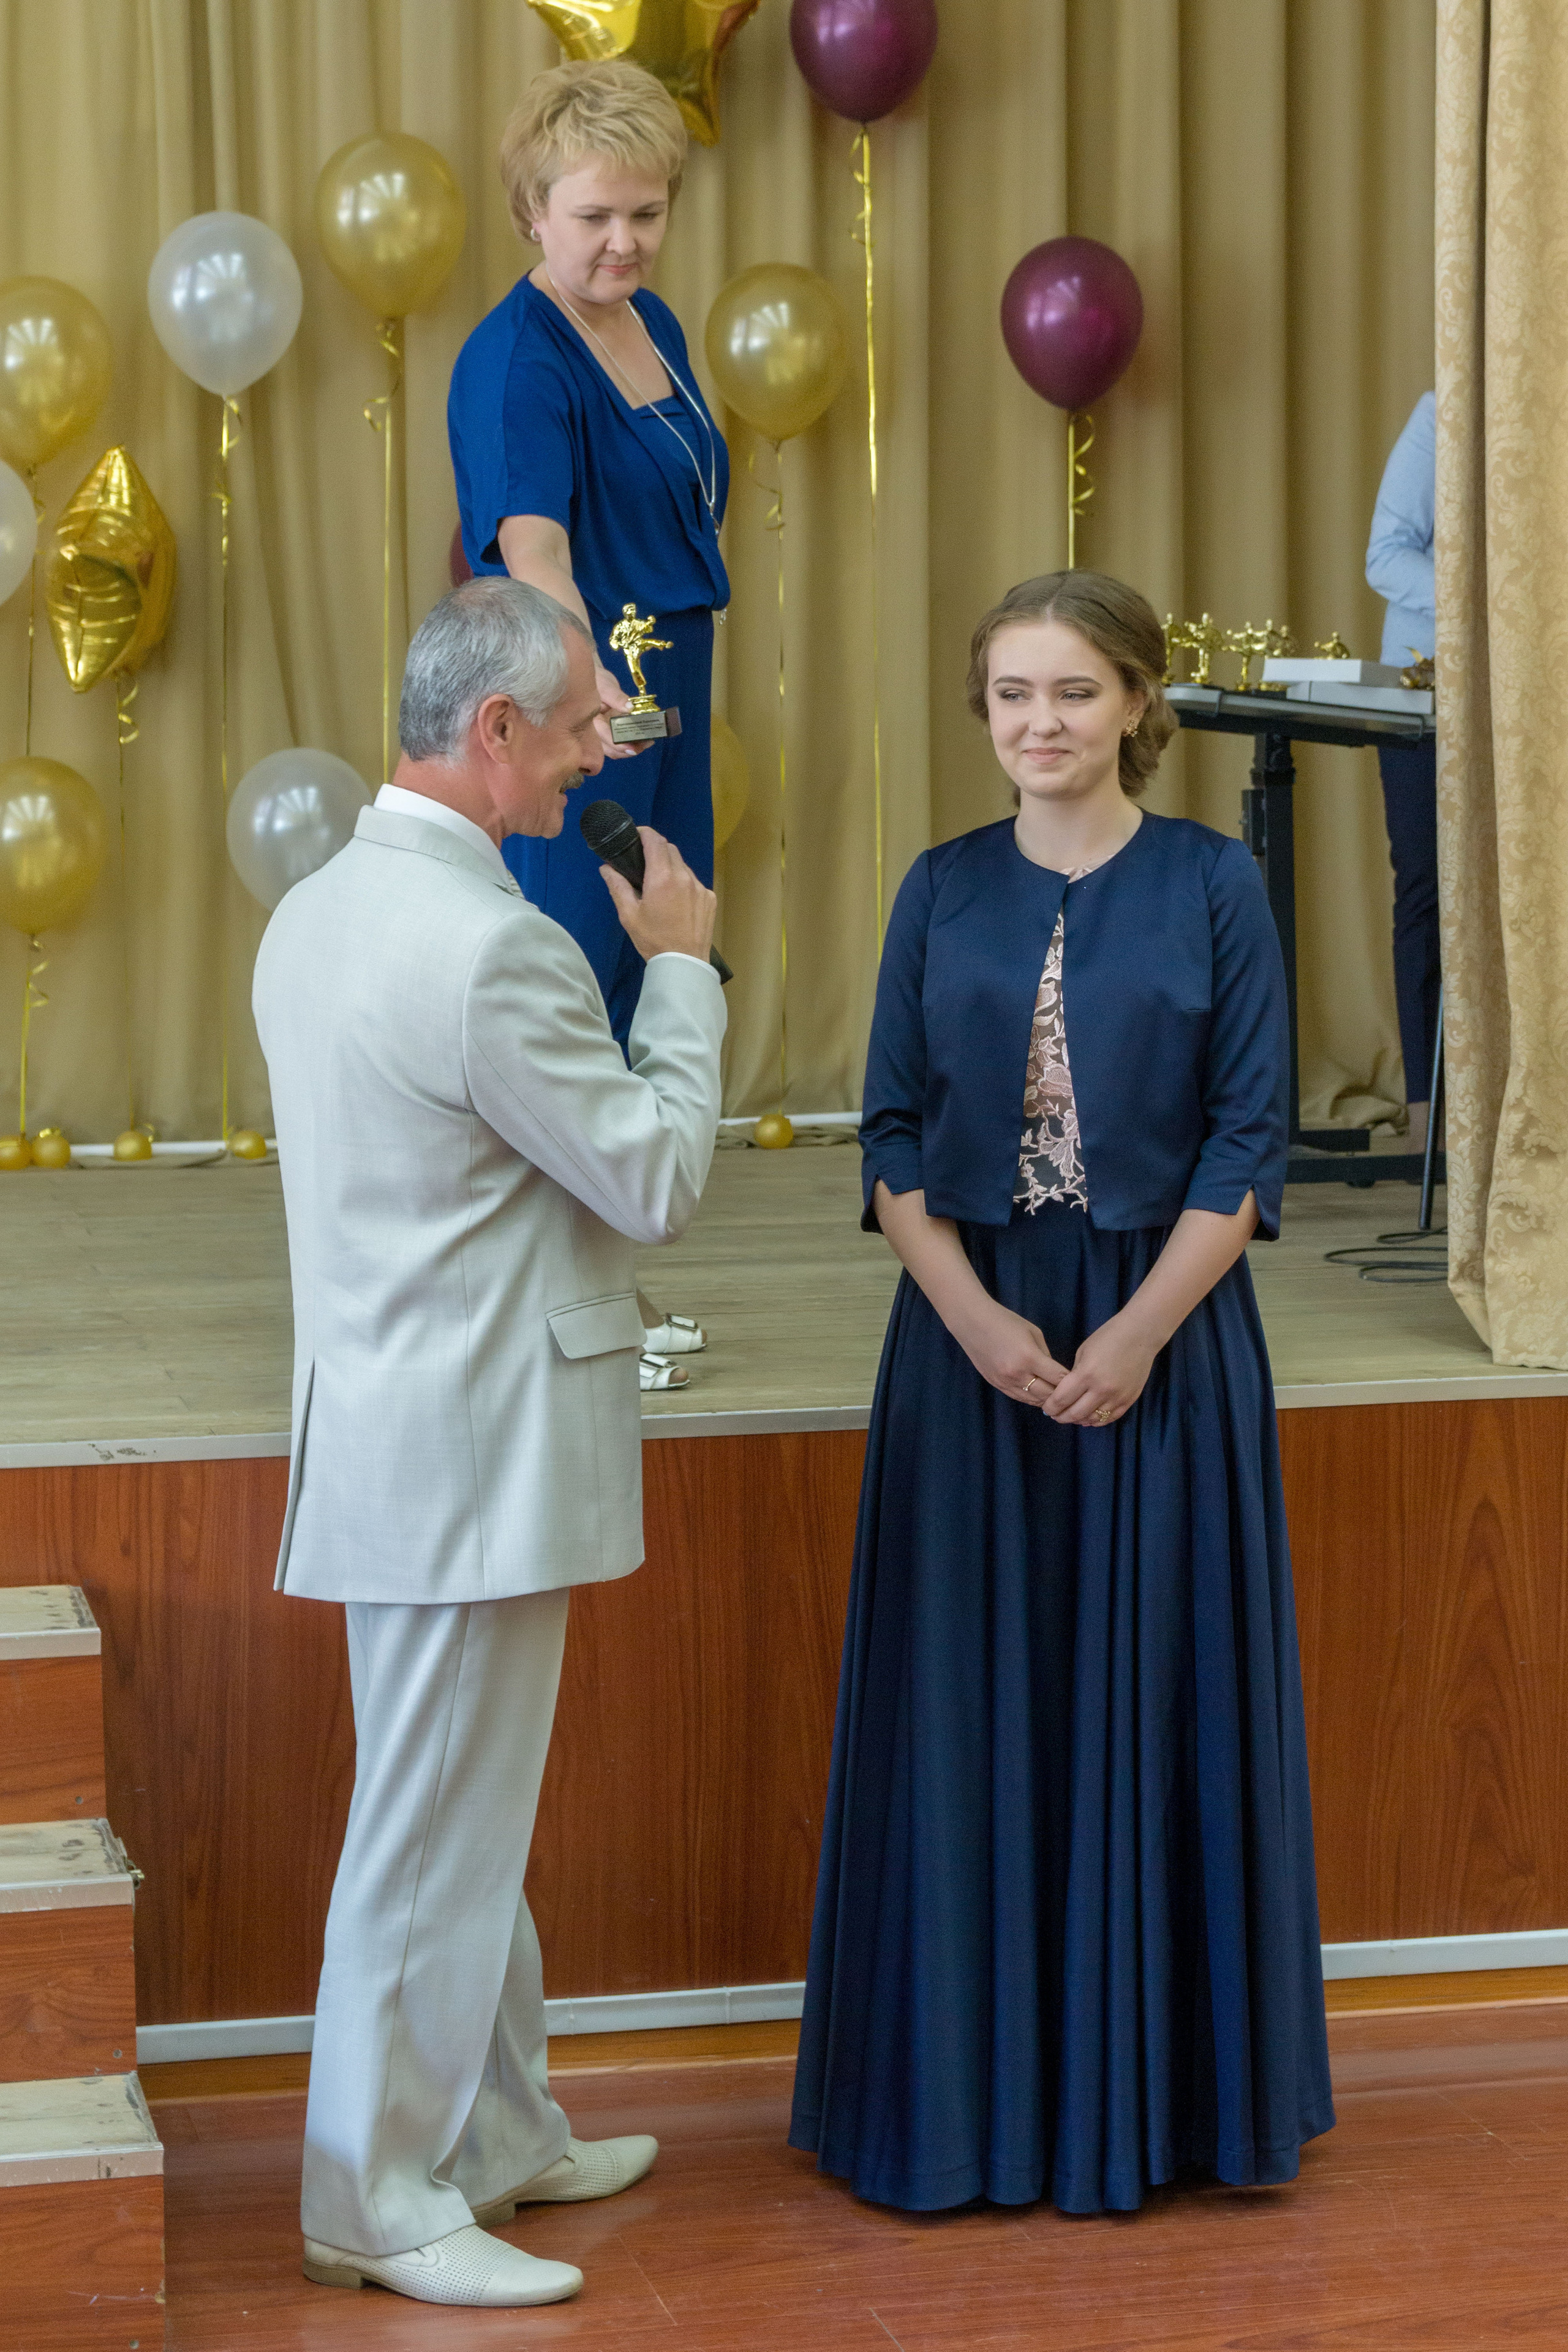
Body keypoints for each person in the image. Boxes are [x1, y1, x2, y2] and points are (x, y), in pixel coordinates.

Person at [790, 571, 1334, 2215]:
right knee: (973, 1710)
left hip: (1165, 1343)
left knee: (1160, 1700)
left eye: (1075, 693)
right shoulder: (939, 888)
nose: (1042, 723)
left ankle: (1156, 2112)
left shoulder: (1215, 883)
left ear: (1137, 707)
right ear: (985, 714)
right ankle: (965, 2110)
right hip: (973, 1345)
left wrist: (1144, 1333)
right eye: (1015, 694)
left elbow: (1249, 1146)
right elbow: (889, 1137)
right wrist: (968, 1320)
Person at [253, 577, 725, 2308]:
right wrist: (680, 977)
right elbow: (655, 1177)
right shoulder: (493, 945)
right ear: (496, 734)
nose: (608, 744)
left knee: (461, 1814)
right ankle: (372, 2196)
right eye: (590, 719)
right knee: (431, 1835)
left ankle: (501, 2126)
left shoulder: (314, 907)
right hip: (468, 1449)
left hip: (398, 1426)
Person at [448, 59, 728, 1384]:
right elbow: (532, 547)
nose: (623, 242)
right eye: (593, 217)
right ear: (530, 213)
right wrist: (584, 692)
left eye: (647, 213)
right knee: (569, 976)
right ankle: (546, 1298)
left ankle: (598, 1289)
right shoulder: (513, 360)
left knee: (649, 967)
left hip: (669, 682)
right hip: (584, 703)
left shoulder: (652, 321)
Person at [1365, 390, 1438, 1149]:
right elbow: (1387, 555)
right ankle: (1429, 1116)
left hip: (1537, 698)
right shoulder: (1439, 412)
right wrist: (1497, 606)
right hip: (1429, 696)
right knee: (1425, 891)